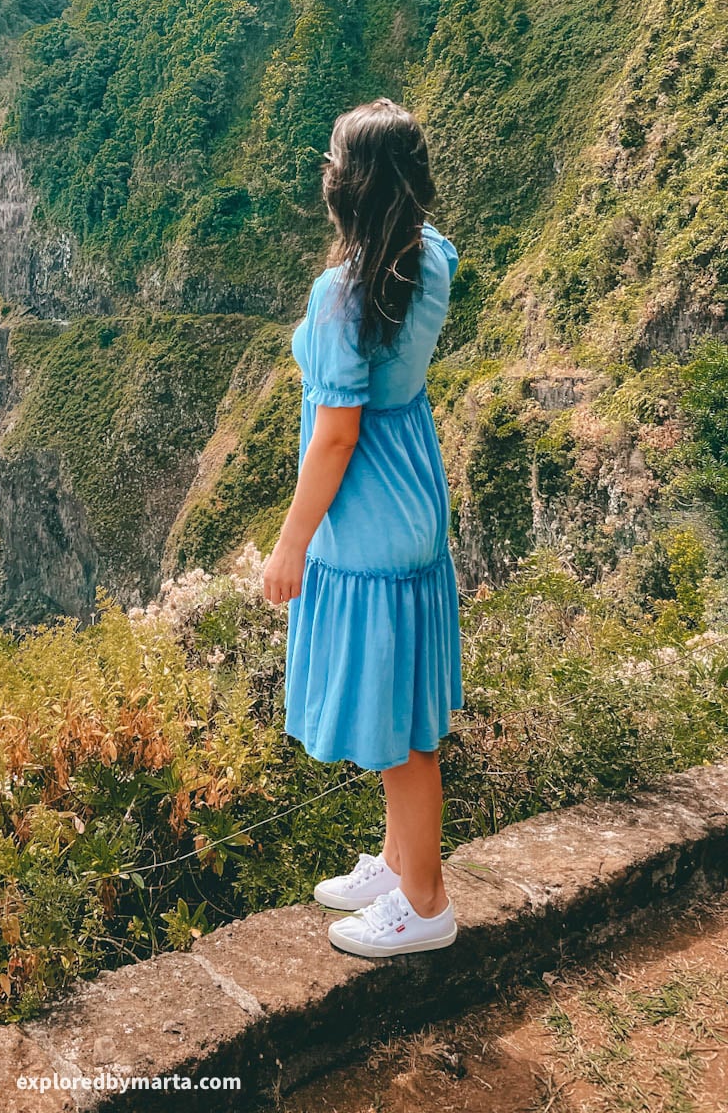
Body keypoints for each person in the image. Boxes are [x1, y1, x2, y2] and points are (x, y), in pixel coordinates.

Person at [263, 97, 462, 958]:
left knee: (400, 732)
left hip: (367, 522)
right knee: (404, 710)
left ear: (348, 188)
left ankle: (425, 904)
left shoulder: (341, 296)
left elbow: (338, 433)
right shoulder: (435, 260)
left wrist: (289, 542)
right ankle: (395, 859)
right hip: (414, 497)